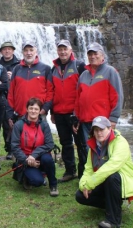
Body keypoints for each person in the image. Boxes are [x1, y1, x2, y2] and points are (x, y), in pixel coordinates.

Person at [75, 116, 133, 228]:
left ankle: (113, 221)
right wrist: (84, 185)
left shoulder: (121, 142)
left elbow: (112, 166)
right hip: (104, 181)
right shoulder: (93, 146)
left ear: (109, 128)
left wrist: (91, 183)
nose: (99, 133)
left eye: (102, 129)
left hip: (122, 183)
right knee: (80, 195)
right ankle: (113, 204)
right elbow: (88, 170)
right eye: (96, 130)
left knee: (112, 176)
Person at [74, 42, 124, 176]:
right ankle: (88, 178)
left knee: (104, 152)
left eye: (95, 53)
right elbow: (78, 99)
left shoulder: (110, 72)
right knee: (88, 150)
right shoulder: (83, 75)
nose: (92, 56)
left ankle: (104, 178)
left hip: (102, 123)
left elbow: (117, 96)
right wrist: (76, 118)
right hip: (85, 122)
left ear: (102, 56)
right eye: (90, 54)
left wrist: (113, 118)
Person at [51, 39, 85, 181]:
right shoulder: (54, 69)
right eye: (60, 49)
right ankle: (70, 171)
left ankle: (83, 174)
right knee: (65, 143)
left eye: (65, 49)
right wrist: (52, 112)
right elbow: (52, 91)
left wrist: (79, 112)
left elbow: (84, 89)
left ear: (71, 50)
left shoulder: (79, 66)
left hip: (74, 113)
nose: (63, 52)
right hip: (59, 112)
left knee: (81, 143)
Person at [11, 97, 59, 197]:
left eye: (36, 109)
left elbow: (49, 144)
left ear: (40, 111)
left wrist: (34, 155)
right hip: (25, 159)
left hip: (40, 156)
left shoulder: (44, 125)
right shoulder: (18, 125)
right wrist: (27, 160)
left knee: (48, 159)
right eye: (31, 108)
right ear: (27, 109)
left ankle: (53, 185)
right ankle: (26, 176)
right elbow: (14, 146)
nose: (33, 111)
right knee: (37, 182)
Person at [7, 41, 54, 125]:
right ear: (22, 52)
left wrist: (45, 108)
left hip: (39, 113)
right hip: (20, 113)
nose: (29, 53)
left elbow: (50, 91)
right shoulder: (17, 69)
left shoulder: (46, 68)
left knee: (40, 138)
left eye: (31, 50)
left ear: (36, 51)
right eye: (26, 50)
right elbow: (11, 92)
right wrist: (10, 114)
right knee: (20, 138)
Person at [0, 41, 20, 160]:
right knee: (6, 124)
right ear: (1, 51)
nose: (7, 51)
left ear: (13, 50)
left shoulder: (20, 64)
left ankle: (18, 148)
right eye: (4, 49)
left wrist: (13, 77)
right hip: (2, 97)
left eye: (9, 49)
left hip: (16, 97)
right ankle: (9, 149)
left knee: (16, 124)